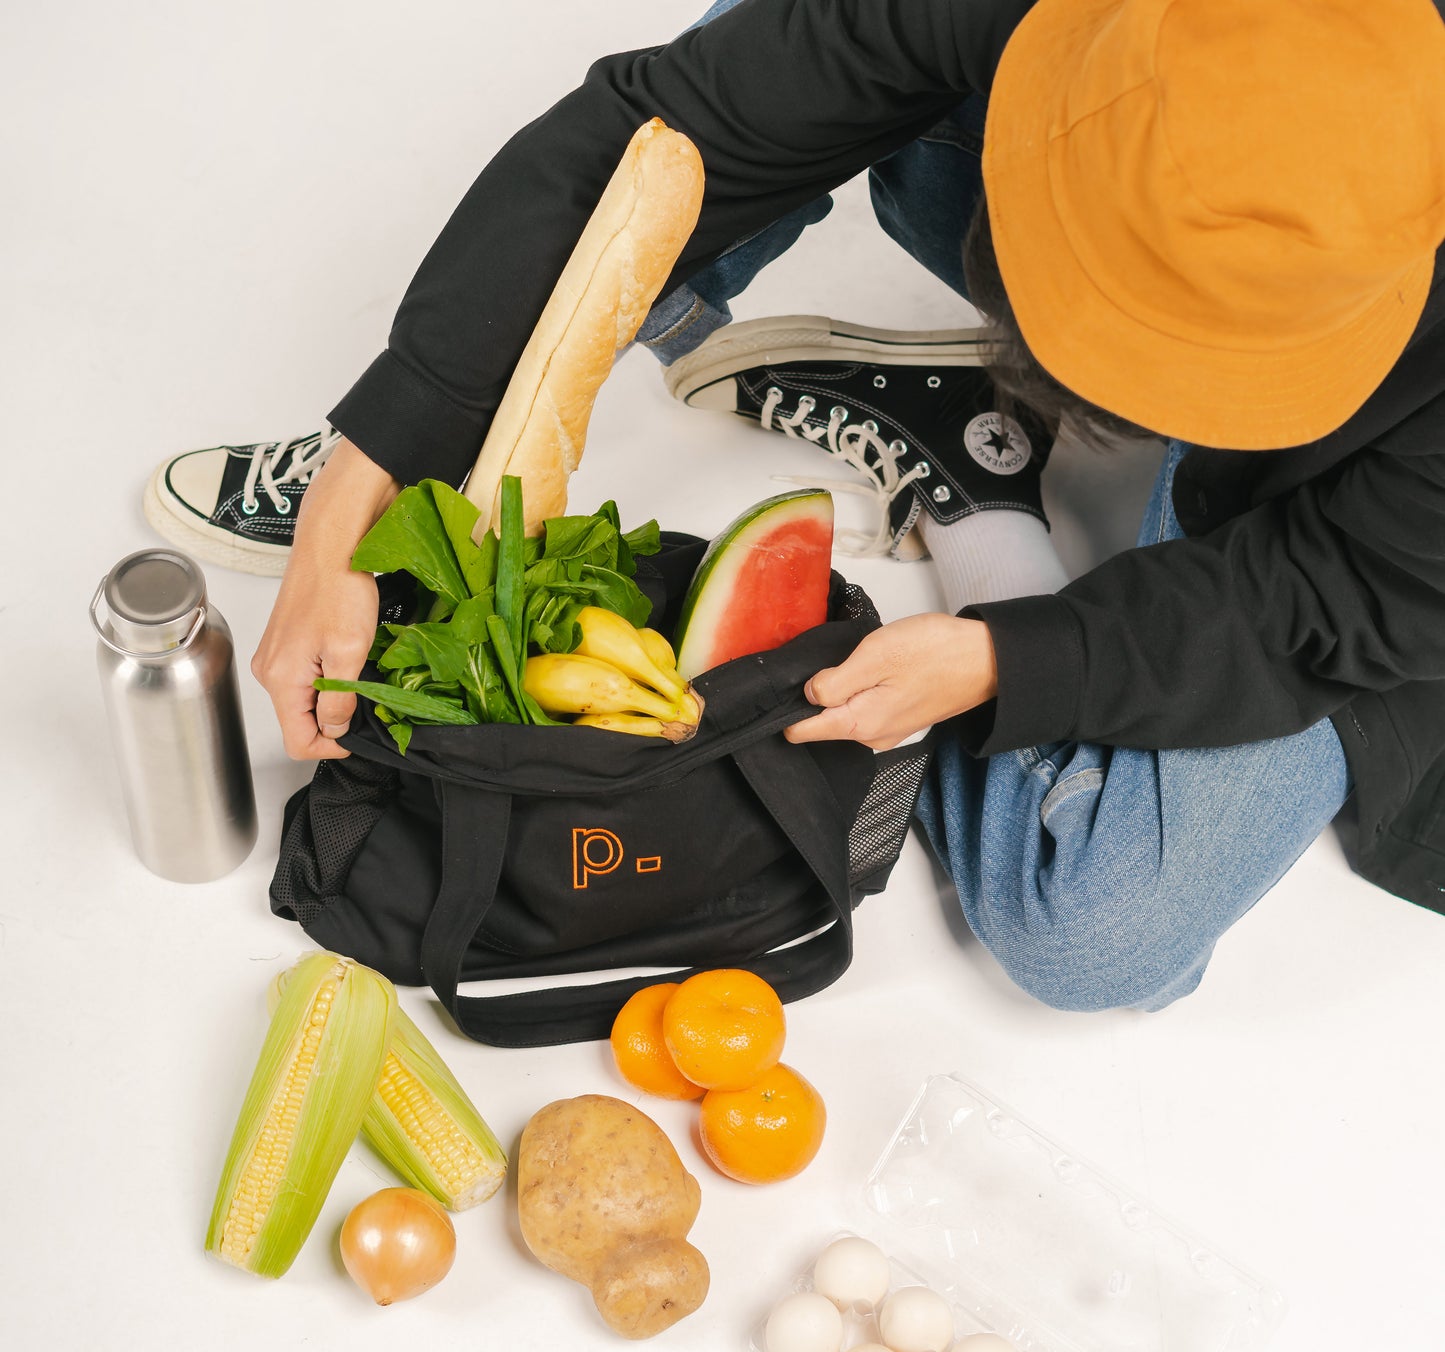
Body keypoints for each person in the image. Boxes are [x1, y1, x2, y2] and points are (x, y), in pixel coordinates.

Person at [143, 0, 1445, 1010]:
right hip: (1094, 174)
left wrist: (1006, 656)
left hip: (1353, 521)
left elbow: (1329, 600)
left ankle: (975, 482)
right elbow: (679, 124)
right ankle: (463, 447)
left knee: (1096, 934)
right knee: (713, 105)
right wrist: (364, 480)